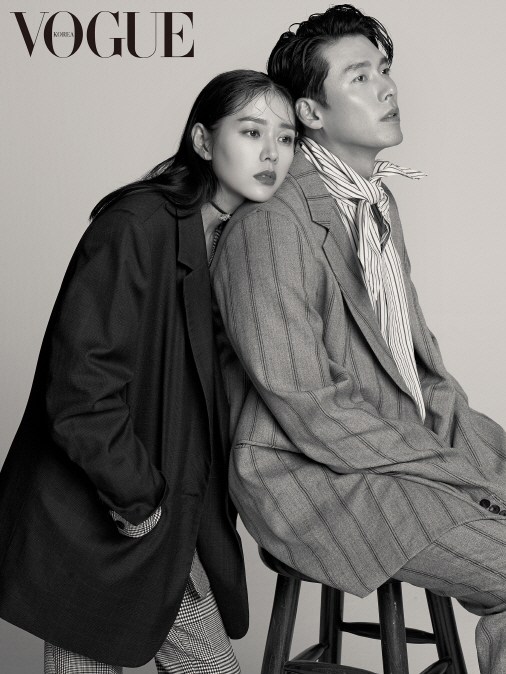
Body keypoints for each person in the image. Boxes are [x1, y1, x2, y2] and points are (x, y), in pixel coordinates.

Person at [210, 7, 506, 673]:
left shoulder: (374, 204)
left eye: (384, 69)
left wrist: (483, 462)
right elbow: (309, 406)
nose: (387, 87)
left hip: (396, 450)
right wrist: (460, 476)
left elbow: (419, 372)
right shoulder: (271, 225)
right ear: (310, 112)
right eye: (359, 77)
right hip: (311, 477)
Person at [0, 69, 295, 673]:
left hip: (168, 524)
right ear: (203, 141)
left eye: (285, 138)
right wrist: (139, 502)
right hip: (96, 523)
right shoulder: (137, 225)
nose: (271, 153)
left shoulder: (238, 243)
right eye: (251, 131)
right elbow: (81, 389)